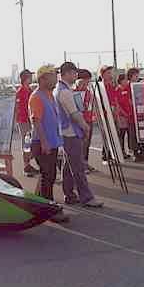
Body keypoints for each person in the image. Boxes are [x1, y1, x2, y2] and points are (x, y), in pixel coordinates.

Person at [55, 64, 102, 208]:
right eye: (75, 73)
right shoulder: (64, 92)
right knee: (78, 167)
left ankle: (69, 195)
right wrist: (85, 126)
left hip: (66, 131)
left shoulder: (61, 90)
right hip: (70, 132)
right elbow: (74, 113)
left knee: (69, 166)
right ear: (68, 73)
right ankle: (86, 198)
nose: (76, 76)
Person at [26, 71, 66, 199]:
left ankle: (39, 203)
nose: (56, 79)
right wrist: (44, 142)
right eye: (52, 77)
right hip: (42, 143)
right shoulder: (37, 97)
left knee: (49, 174)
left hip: (52, 142)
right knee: (48, 175)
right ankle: (48, 205)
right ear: (42, 79)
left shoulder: (50, 95)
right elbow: (36, 121)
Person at [14, 70, 39, 176]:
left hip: (29, 120)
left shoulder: (29, 90)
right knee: (26, 143)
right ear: (25, 78)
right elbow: (20, 108)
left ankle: (28, 163)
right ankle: (26, 166)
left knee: (31, 143)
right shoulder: (21, 91)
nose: (31, 78)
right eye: (29, 77)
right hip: (24, 121)